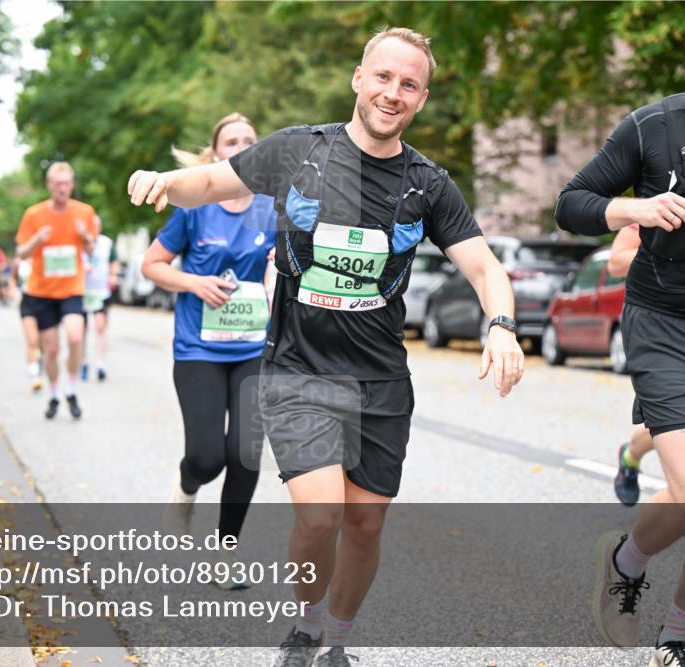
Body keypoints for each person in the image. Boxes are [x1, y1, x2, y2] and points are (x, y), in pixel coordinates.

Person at [128, 27, 524, 666]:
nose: (393, 93)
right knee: (321, 517)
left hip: (379, 377)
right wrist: (162, 179)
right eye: (384, 77)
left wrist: (501, 325)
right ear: (359, 79)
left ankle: (336, 640)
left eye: (409, 84)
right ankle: (306, 628)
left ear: (421, 98)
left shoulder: (428, 184)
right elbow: (212, 183)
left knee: (366, 524)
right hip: (296, 365)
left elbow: (484, 268)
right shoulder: (296, 152)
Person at [556, 2, 685, 664]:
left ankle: (674, 639)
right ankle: (624, 561)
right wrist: (636, 207)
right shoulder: (655, 124)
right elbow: (572, 204)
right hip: (667, 316)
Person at [141, 113, 277, 588]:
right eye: (231, 141)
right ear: (216, 156)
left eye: (250, 141)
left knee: (245, 452)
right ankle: (185, 490)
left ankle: (225, 553)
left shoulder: (274, 208)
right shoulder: (195, 208)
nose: (241, 146)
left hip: (253, 348)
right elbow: (152, 265)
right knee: (206, 456)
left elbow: (288, 268)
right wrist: (194, 282)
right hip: (199, 347)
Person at [16, 161, 97, 419]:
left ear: (72, 185)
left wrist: (86, 238)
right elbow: (20, 252)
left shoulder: (85, 213)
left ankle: (71, 389)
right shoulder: (34, 214)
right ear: (49, 185)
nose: (62, 188)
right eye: (57, 183)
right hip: (42, 291)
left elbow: (91, 251)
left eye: (66, 183)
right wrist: (37, 239)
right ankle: (53, 394)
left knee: (75, 337)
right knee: (50, 349)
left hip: (72, 287)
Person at [606, 224, 657, 507]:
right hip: (659, 318)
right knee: (675, 414)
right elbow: (615, 263)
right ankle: (630, 456)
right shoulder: (655, 202)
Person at [81, 222, 119, 381]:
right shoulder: (80, 241)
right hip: (82, 290)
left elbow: (114, 262)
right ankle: (82, 362)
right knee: (80, 330)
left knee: (100, 327)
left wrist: (113, 276)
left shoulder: (106, 243)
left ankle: (100, 364)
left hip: (100, 292)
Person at [10, 256, 43, 392]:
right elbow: (12, 279)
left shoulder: (44, 256)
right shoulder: (19, 261)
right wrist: (13, 289)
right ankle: (34, 375)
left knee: (42, 342)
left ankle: (40, 358)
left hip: (45, 302)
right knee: (32, 340)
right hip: (27, 302)